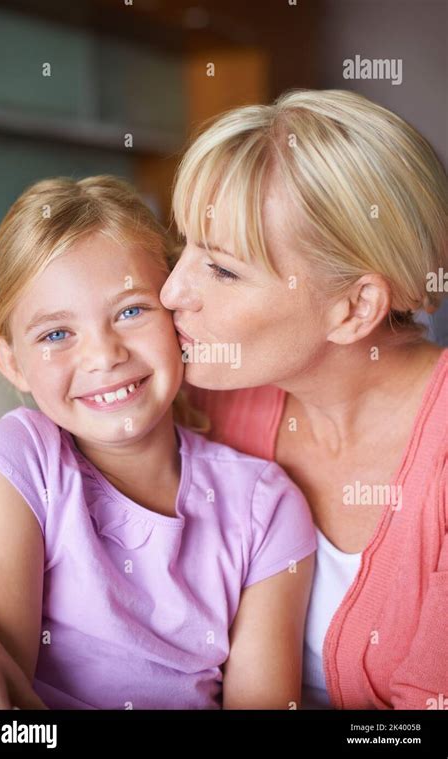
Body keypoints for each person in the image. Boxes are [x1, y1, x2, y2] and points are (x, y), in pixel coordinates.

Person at [0, 175, 316, 710]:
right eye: (56, 334)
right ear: (12, 363)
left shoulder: (265, 506)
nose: (104, 355)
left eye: (131, 311)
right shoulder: (18, 461)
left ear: (179, 316)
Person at [160, 89, 448, 710]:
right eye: (183, 247)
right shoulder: (210, 402)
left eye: (222, 270)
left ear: (355, 308)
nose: (171, 290)